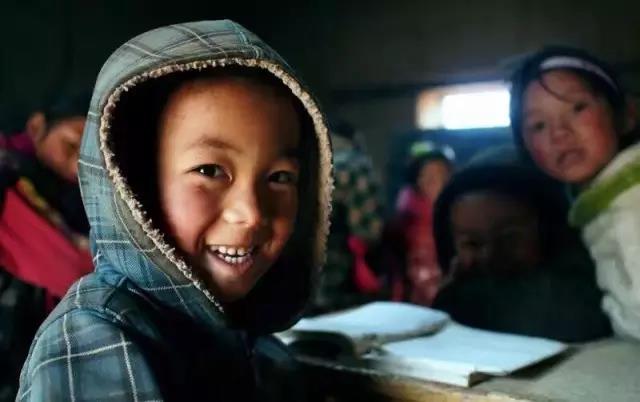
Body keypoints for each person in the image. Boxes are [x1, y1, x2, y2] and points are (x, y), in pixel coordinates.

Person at [17, 20, 333, 401]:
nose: (250, 214)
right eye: (209, 171)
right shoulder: (97, 337)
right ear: (136, 183)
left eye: (280, 177)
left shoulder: (250, 341)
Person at [510, 46, 640, 340]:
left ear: (626, 114)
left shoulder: (632, 203)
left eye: (578, 108)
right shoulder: (595, 202)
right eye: (538, 125)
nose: (559, 133)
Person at [432, 152, 611, 342]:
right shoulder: (459, 293)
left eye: (509, 238)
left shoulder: (578, 298)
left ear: (549, 231)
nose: (489, 255)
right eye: (472, 243)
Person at [0, 93, 92, 401]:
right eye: (72, 143)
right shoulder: (7, 168)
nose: (80, 163)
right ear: (38, 126)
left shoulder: (82, 213)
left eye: (92, 156)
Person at [313, 118, 384, 313]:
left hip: (309, 265)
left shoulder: (313, 160)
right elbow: (369, 227)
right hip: (341, 264)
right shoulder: (354, 164)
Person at [389, 143, 454, 305]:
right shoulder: (412, 219)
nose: (435, 181)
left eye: (441, 175)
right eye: (427, 176)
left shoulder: (456, 213)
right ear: (417, 181)